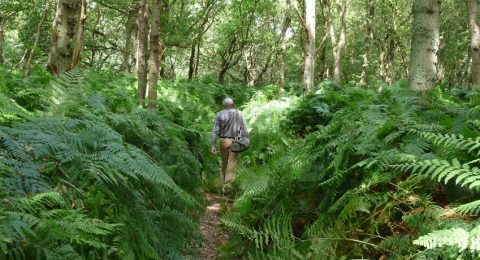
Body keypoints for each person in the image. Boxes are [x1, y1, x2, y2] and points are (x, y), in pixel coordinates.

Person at [211, 97, 249, 193]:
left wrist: (213, 145)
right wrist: (244, 140)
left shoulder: (219, 114)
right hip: (235, 142)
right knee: (231, 164)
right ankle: (227, 187)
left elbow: (215, 131)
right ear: (232, 104)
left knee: (224, 163)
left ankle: (223, 183)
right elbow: (244, 130)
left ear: (223, 105)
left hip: (223, 141)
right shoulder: (239, 114)